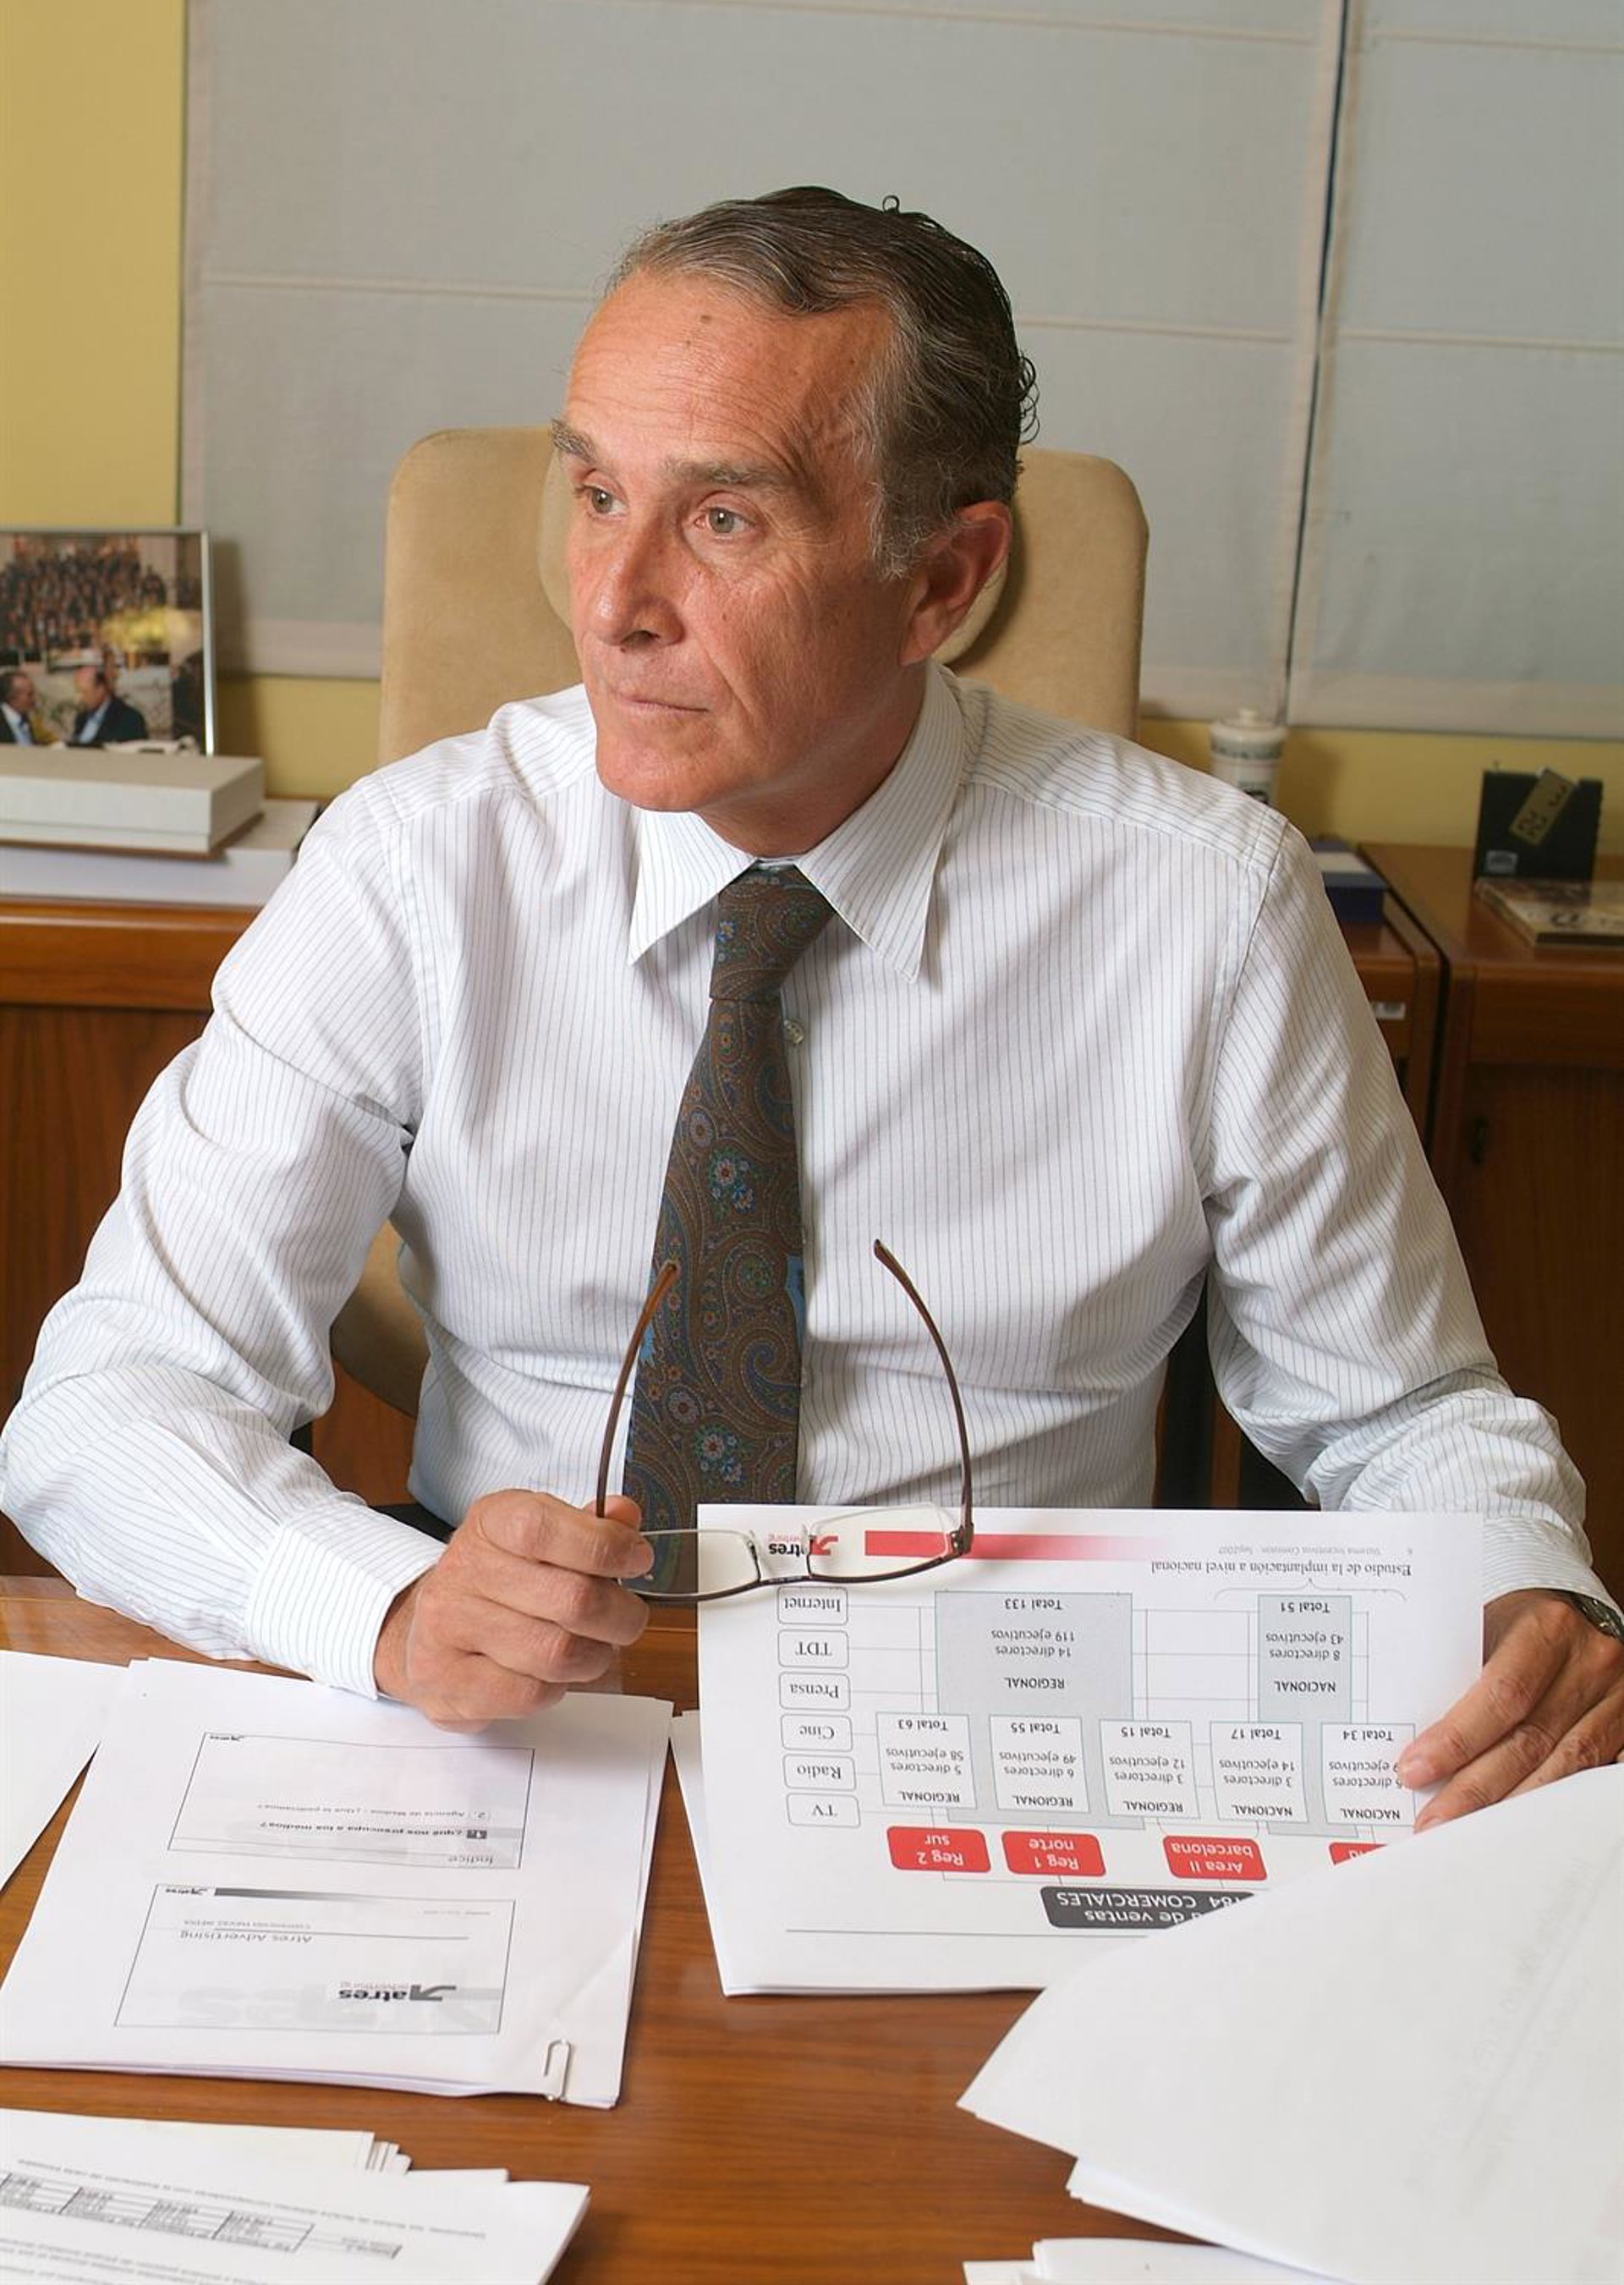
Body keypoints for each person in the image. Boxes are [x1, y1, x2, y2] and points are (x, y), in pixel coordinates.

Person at [3, 189, 1620, 1823]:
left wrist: (1521, 1590)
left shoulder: (1209, 904)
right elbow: (108, 1401)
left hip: (1012, 1713)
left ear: (941, 581)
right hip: (521, 1711)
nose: (611, 601)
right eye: (596, 493)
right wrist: (390, 1605)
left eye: (723, 520)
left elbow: (1405, 1409)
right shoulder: (414, 864)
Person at [69, 661, 147, 744]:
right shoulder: (81, 719)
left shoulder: (129, 719)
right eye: (78, 692)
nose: (80, 699)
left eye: (85, 692)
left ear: (101, 689)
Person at [0, 668, 52, 744]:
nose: (34, 700)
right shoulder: (3, 722)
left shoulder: (26, 722)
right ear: (12, 697)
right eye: (29, 695)